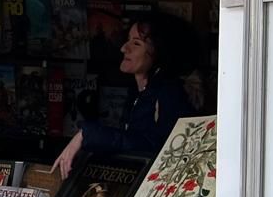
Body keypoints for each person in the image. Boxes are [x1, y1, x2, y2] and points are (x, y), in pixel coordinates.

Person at [52, 12, 197, 178]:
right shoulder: (138, 92)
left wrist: (88, 135)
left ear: (160, 52)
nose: (124, 48)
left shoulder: (169, 93)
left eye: (136, 43)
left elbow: (159, 148)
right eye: (127, 40)